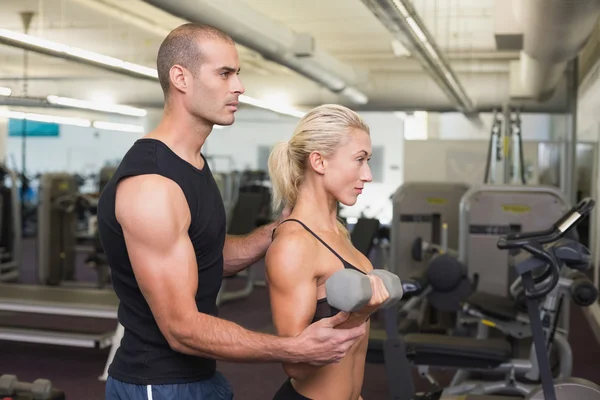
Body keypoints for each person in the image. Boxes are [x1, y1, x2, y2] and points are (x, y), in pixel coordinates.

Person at [97, 23, 367, 400]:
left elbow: (207, 256)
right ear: (181, 78)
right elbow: (181, 329)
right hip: (157, 384)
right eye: (224, 73)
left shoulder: (190, 164)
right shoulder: (152, 186)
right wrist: (290, 348)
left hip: (199, 378)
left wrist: (286, 229)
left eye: (237, 74)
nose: (238, 86)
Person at [265, 104, 390, 400]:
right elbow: (296, 366)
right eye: (359, 160)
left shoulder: (338, 234)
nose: (368, 175)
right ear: (319, 162)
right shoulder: (295, 244)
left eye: (368, 160)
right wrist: (360, 314)